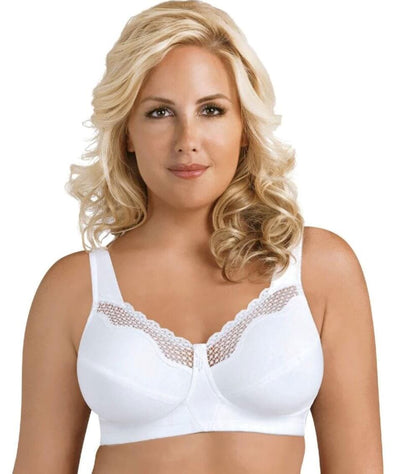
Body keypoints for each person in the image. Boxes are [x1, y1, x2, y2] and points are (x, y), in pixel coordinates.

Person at [13, 1, 383, 473]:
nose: (187, 139)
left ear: (244, 127)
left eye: (211, 110)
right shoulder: (74, 289)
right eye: (159, 112)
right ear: (127, 134)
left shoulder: (318, 269)